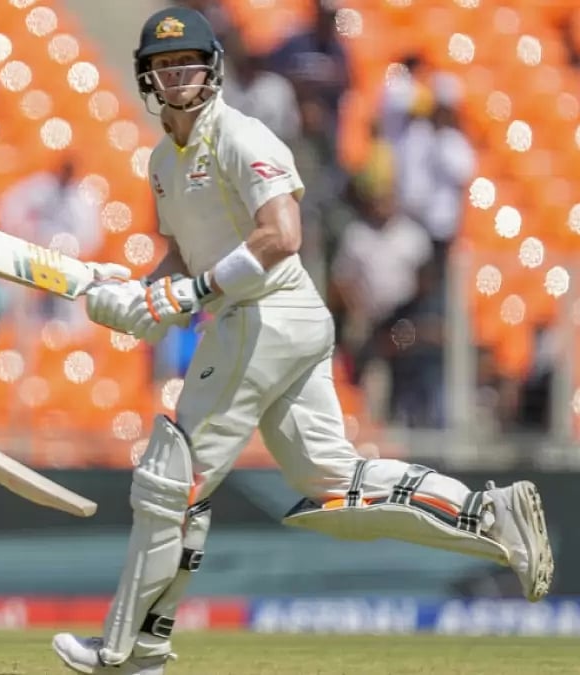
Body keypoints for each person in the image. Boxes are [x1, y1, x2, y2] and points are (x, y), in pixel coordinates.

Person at [51, 8, 554, 675]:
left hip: (265, 314)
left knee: (172, 479)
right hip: (265, 320)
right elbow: (183, 259)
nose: (177, 78)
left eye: (188, 64)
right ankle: (490, 514)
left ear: (212, 69)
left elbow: (281, 235)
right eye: (164, 67)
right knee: (334, 481)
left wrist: (190, 294)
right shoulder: (163, 161)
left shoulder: (239, 135)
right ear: (147, 78)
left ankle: (130, 650)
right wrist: (137, 294)